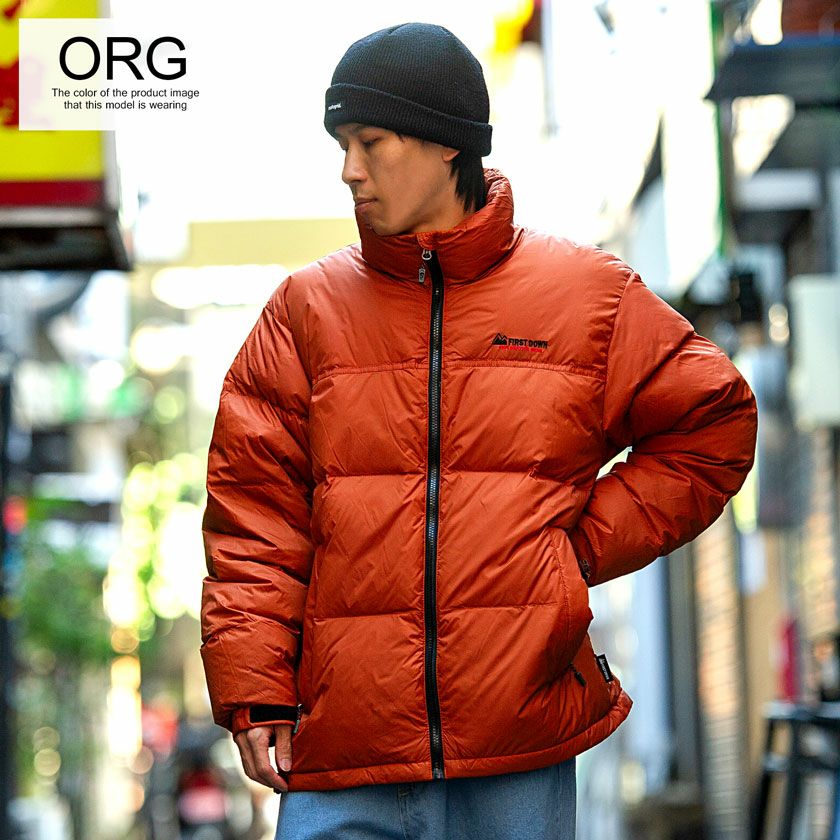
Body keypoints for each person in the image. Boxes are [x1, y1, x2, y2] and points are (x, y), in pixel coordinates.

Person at [199, 21, 758, 840]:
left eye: (370, 142)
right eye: (342, 146)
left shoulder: (586, 296)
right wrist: (255, 689)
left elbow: (713, 421)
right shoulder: (304, 312)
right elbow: (253, 515)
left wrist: (566, 553)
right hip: (342, 752)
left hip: (517, 751)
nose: (349, 169)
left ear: (446, 143)